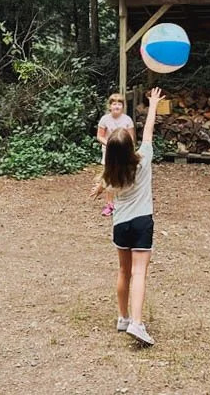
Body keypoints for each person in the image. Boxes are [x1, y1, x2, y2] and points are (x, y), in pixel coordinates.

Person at [91, 87, 163, 346]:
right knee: (140, 272)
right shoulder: (144, 159)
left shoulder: (110, 172)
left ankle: (122, 317)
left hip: (120, 225)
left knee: (124, 271)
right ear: (132, 147)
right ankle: (136, 323)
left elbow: (104, 183)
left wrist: (98, 189)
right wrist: (152, 104)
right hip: (142, 222)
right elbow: (148, 132)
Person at [96, 92, 136, 217]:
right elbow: (99, 136)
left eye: (119, 104)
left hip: (124, 153)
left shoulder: (127, 120)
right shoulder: (105, 119)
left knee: (124, 176)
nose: (117, 106)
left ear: (123, 106)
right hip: (109, 153)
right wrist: (110, 144)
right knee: (109, 178)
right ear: (110, 106)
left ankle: (125, 202)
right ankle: (109, 204)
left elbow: (131, 138)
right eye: (114, 104)